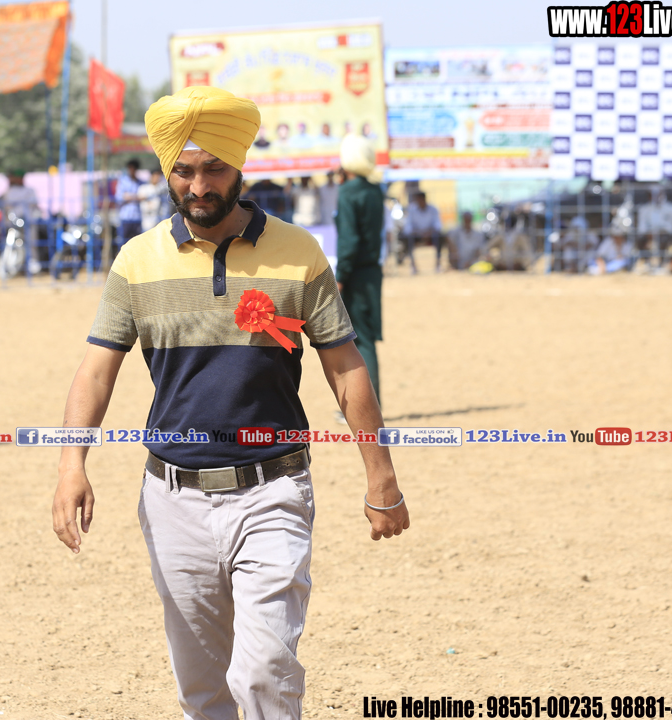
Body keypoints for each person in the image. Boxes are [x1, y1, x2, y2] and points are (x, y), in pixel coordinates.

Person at [51, 85, 408, 720]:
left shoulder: (299, 252)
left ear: (239, 166)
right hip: (172, 500)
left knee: (265, 673)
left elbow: (344, 367)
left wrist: (381, 476)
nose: (199, 186)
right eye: (183, 171)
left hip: (274, 490)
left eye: (214, 168)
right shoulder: (137, 261)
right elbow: (96, 372)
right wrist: (70, 464)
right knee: (204, 693)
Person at [335, 134, 386, 410]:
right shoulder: (375, 190)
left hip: (354, 274)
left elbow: (349, 241)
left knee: (359, 340)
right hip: (372, 271)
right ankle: (371, 404)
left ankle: (367, 407)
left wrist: (340, 277)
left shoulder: (348, 193)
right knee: (367, 337)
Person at [401, 191, 442, 273]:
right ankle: (413, 266)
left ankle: (438, 265)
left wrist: (429, 232)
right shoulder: (412, 209)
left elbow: (438, 225)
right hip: (416, 235)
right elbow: (407, 227)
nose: (419, 202)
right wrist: (417, 232)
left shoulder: (433, 209)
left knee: (440, 237)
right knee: (406, 238)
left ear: (424, 199)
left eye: (420, 199)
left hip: (430, 235)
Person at [114, 159, 142, 251]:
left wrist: (129, 196)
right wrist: (136, 197)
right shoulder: (123, 182)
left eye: (133, 168)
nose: (131, 170)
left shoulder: (140, 183)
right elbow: (119, 197)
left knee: (137, 243)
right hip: (125, 217)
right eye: (130, 168)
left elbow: (143, 196)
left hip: (137, 218)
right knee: (123, 243)